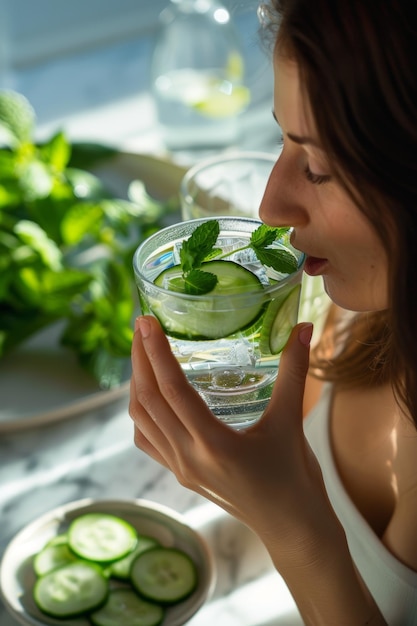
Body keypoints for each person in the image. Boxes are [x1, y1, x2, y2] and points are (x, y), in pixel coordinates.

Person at [129, 0, 417, 623]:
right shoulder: (365, 305)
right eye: (281, 139)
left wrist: (291, 528)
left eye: (315, 167)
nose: (269, 208)